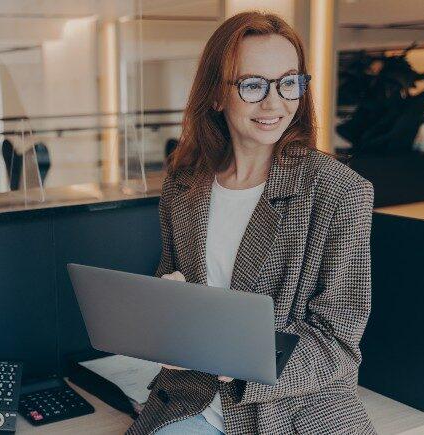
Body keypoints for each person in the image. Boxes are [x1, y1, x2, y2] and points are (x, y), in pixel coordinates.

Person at [126, 11, 376, 435]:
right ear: (216, 96)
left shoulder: (340, 192)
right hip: (194, 400)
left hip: (294, 412)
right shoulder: (183, 185)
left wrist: (243, 356)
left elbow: (338, 342)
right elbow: (172, 279)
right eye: (253, 84)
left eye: (288, 82)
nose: (275, 103)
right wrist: (167, 315)